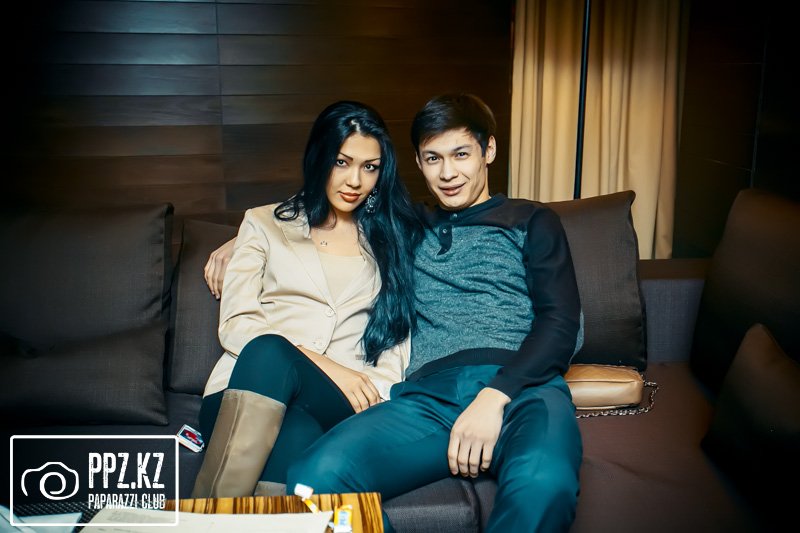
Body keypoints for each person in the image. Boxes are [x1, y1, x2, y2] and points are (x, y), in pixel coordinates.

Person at [204, 93, 584, 531]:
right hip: (428, 399)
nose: (448, 173)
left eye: (461, 154)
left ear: (489, 151)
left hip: (522, 388)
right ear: (418, 163)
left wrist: (496, 395)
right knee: (316, 475)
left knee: (544, 482)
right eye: (433, 158)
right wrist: (241, 238)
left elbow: (562, 325)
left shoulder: (532, 220)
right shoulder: (407, 227)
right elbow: (323, 216)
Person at [190, 100, 421, 499]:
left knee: (274, 357)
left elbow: (396, 340)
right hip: (245, 393)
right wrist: (322, 364)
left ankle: (203, 518)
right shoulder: (262, 223)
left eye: (370, 167)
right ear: (319, 158)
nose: (355, 180)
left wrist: (376, 392)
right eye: (342, 162)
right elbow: (237, 325)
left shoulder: (394, 238)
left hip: (340, 399)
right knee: (289, 412)